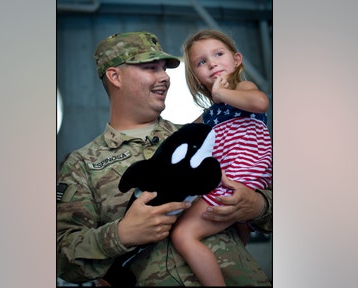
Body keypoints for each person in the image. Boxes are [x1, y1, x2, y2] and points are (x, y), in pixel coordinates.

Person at [56, 31, 272, 286]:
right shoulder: (82, 164)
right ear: (115, 76)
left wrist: (258, 205)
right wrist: (121, 234)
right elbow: (61, 257)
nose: (165, 78)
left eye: (164, 69)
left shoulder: (203, 135)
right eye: (151, 68)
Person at [170, 29, 273, 286]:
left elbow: (260, 103)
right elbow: (188, 134)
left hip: (239, 175)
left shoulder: (241, 88)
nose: (212, 62)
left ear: (236, 60)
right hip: (236, 175)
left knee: (183, 234)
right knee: (237, 230)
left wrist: (221, 94)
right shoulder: (212, 113)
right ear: (195, 74)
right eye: (201, 62)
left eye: (218, 54)